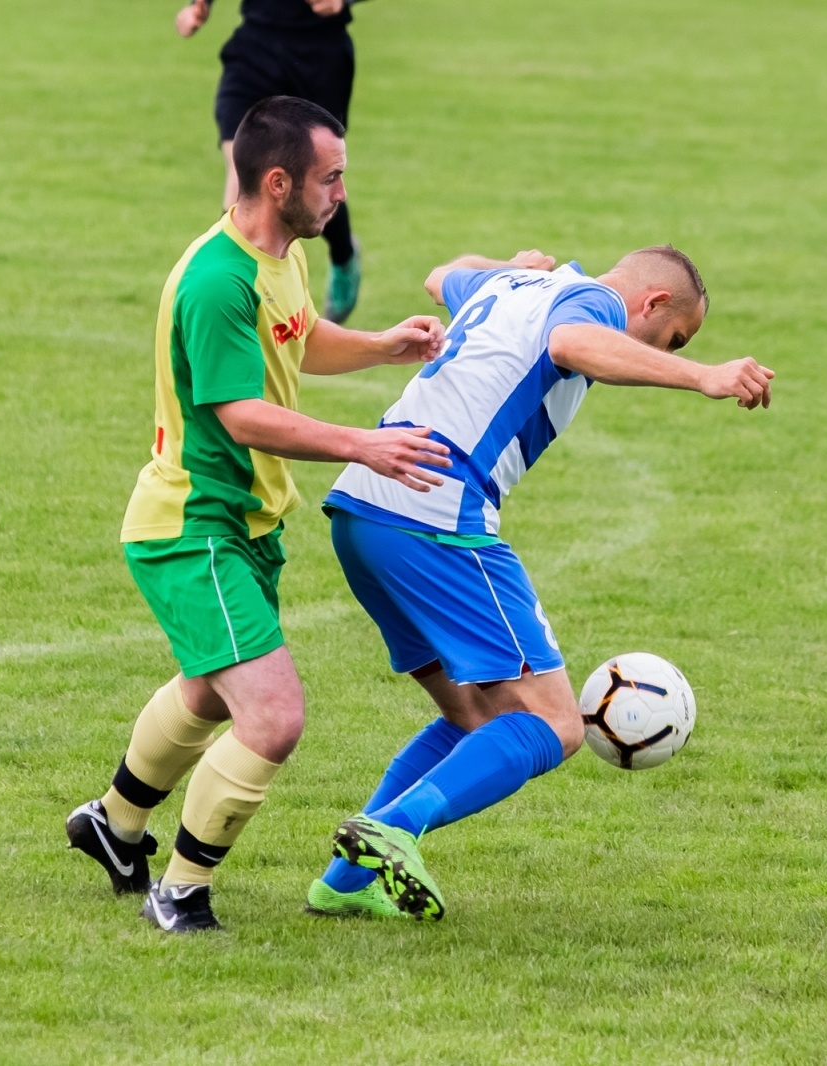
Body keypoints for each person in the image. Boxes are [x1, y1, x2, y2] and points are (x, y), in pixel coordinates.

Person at [65, 95, 451, 935]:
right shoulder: (215, 279)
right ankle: (181, 892)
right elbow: (241, 414)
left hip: (247, 525)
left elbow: (297, 336)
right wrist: (363, 444)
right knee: (272, 717)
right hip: (193, 527)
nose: (341, 192)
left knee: (208, 693)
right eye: (330, 178)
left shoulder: (276, 254)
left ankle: (112, 826)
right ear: (278, 183)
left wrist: (382, 343)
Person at [305, 245, 776, 921]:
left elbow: (439, 273)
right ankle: (396, 827)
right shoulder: (595, 307)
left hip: (361, 511)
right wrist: (702, 375)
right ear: (652, 303)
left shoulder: (514, 284)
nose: (667, 348)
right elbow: (574, 341)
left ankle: (342, 884)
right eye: (673, 337)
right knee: (554, 721)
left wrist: (508, 265)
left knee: (474, 714)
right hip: (436, 513)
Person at [176, 0, 368, 323]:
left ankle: (344, 254)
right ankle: (240, 298)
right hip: (255, 50)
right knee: (242, 172)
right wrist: (200, 5)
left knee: (313, 176)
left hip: (318, 57)